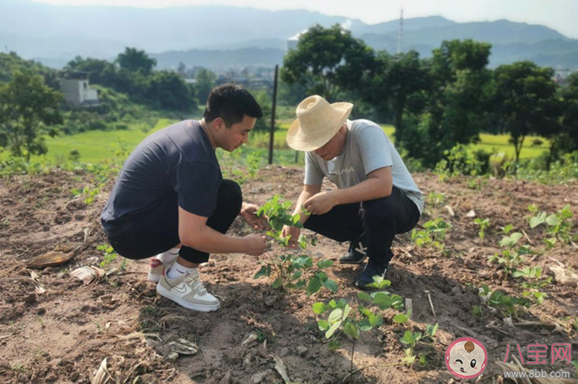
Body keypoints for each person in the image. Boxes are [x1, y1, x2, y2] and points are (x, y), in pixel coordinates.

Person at [100, 84, 268, 312]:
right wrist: (245, 245)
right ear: (219, 124)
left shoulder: (189, 131)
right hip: (132, 236)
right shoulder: (196, 158)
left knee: (228, 195)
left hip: (126, 224)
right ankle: (178, 279)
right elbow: (192, 235)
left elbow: (195, 189)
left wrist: (240, 207)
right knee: (228, 196)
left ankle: (164, 262)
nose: (245, 140)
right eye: (243, 131)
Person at [281, 95, 424, 289]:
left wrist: (333, 197)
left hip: (401, 204)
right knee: (310, 209)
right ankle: (363, 240)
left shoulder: (365, 132)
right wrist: (295, 221)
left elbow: (382, 185)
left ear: (339, 128)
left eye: (323, 142)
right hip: (363, 205)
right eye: (313, 144)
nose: (318, 150)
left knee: (375, 203)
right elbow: (309, 190)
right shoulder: (314, 152)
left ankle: (377, 263)